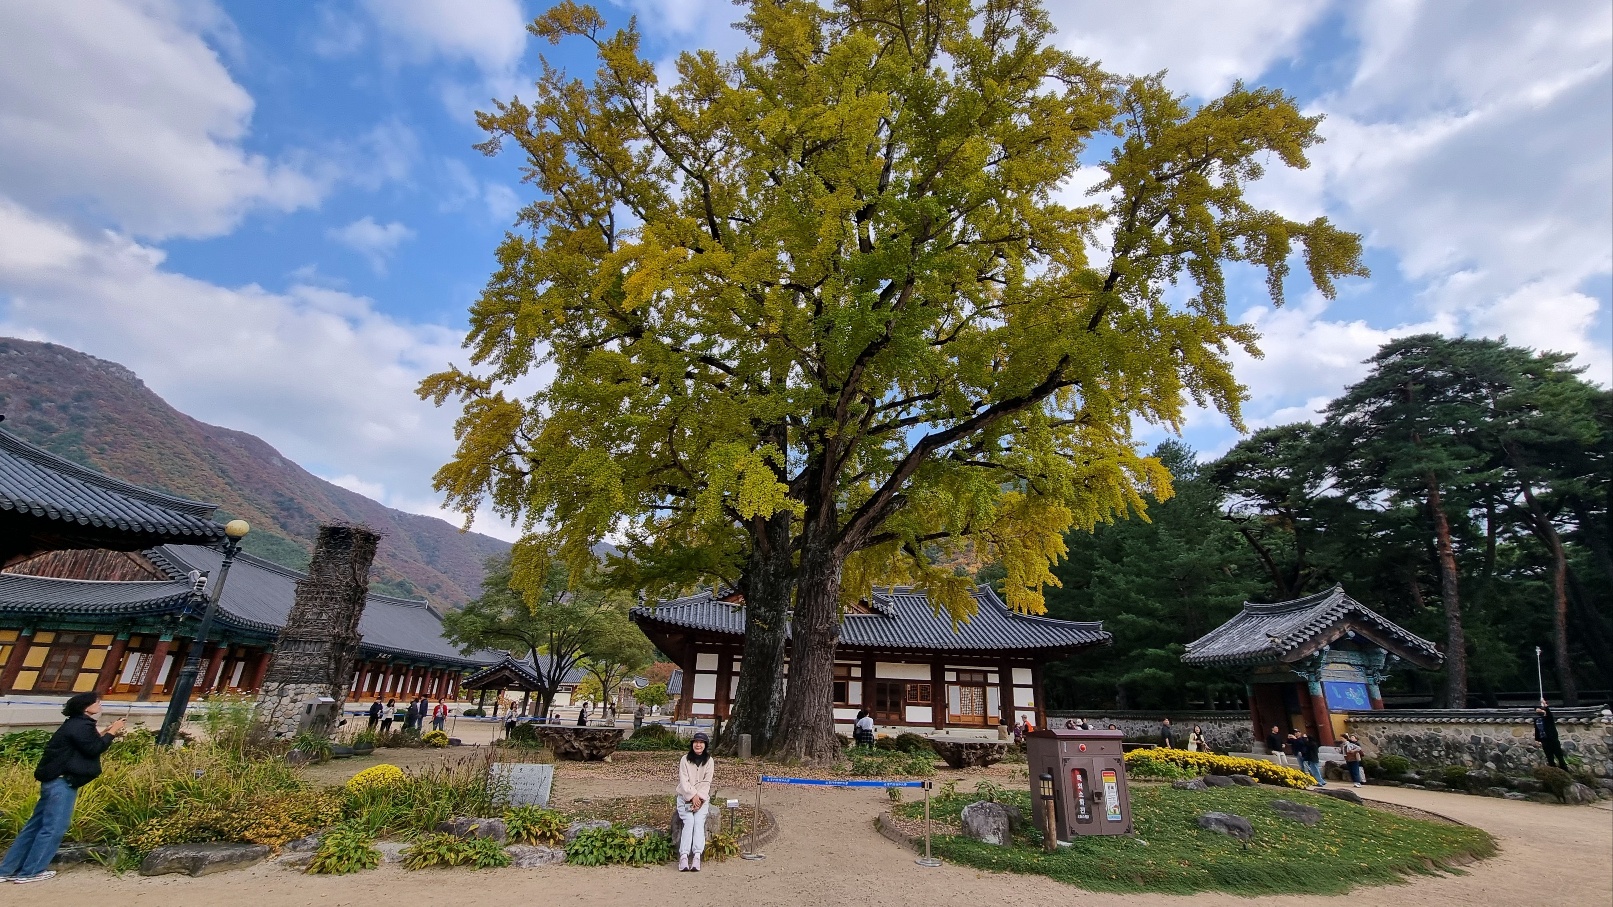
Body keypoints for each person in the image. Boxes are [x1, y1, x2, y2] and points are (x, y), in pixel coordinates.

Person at [1, 692, 126, 884]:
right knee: (53, 827)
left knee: (34, 827)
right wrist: (113, 732)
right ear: (86, 707)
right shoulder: (82, 725)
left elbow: (85, 744)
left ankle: (7, 870)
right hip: (62, 783)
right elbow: (94, 749)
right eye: (97, 702)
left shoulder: (74, 724)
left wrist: (105, 732)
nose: (100, 704)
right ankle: (31, 871)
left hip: (52, 781)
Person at [675, 732, 715, 872]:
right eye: (696, 742)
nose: (698, 745)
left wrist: (699, 798)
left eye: (701, 742)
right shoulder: (685, 759)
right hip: (685, 798)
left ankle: (697, 855)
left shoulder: (709, 761)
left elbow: (707, 782)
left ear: (705, 745)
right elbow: (684, 781)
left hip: (702, 799)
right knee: (689, 821)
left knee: (698, 821)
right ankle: (684, 856)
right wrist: (692, 796)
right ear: (692, 744)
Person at [1535, 700, 1569, 770]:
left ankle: (1565, 770)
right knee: (1550, 758)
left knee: (1559, 757)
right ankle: (1553, 771)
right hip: (1544, 741)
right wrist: (1537, 739)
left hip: (1553, 740)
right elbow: (1537, 730)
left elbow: (1549, 713)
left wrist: (1545, 705)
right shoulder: (1537, 720)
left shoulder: (1549, 719)